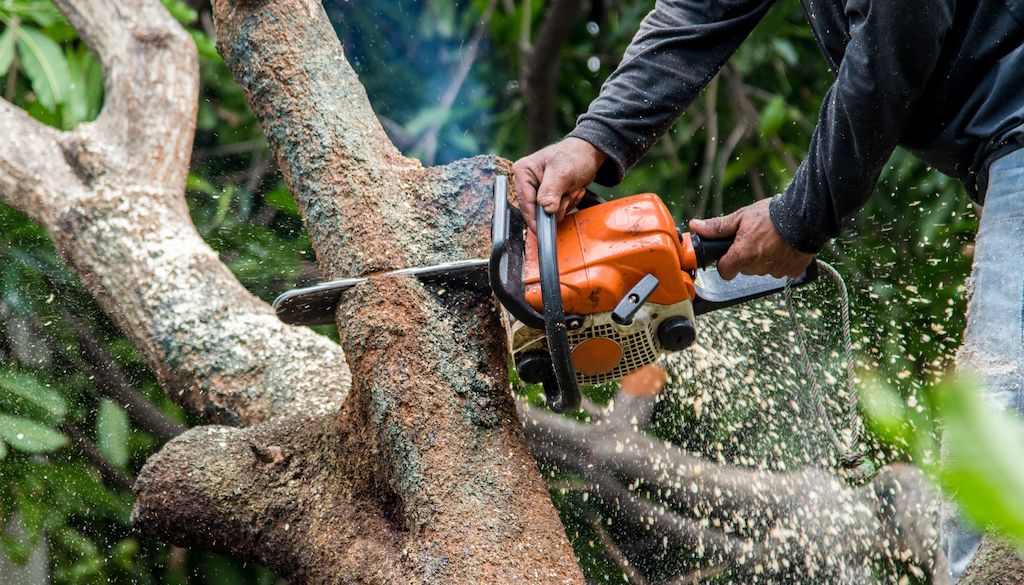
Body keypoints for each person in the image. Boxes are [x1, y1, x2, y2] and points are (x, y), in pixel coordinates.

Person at [512, 0, 1024, 580]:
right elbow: (702, 8)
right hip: (1002, 144)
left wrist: (801, 218)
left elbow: (898, 22)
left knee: (1001, 421)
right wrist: (596, 138)